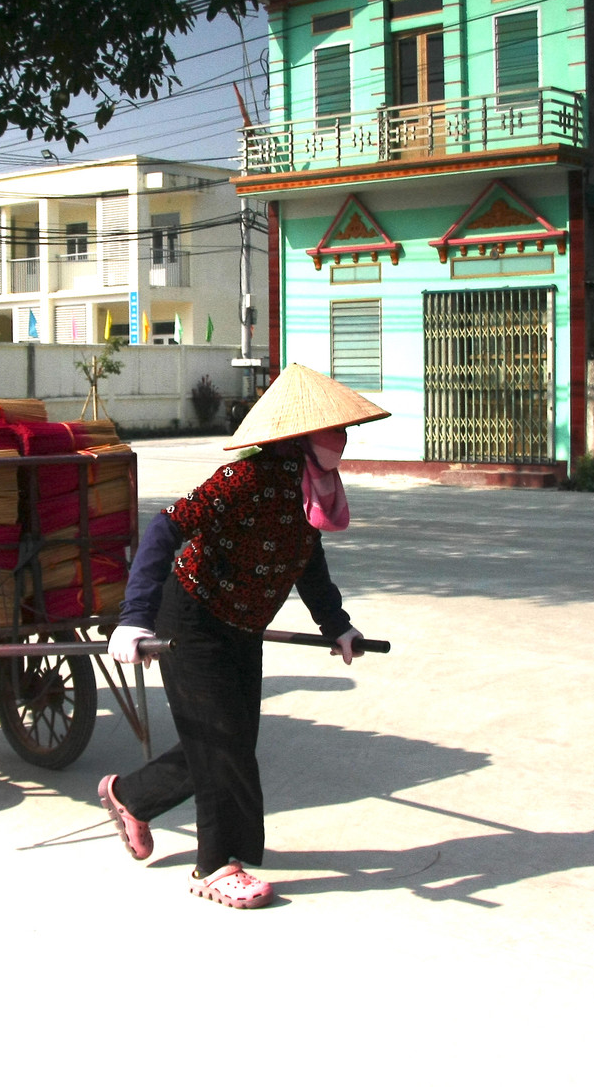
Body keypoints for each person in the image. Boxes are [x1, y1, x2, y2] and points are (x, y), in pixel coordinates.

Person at [95, 363, 386, 910]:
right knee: (221, 741)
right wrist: (135, 615)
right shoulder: (246, 477)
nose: (342, 441)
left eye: (344, 432)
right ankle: (214, 866)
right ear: (299, 438)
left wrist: (337, 625)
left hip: (244, 624)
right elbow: (165, 527)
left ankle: (130, 796)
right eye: (332, 431)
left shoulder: (314, 488)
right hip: (193, 619)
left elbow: (306, 558)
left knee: (226, 740)